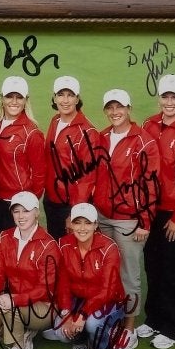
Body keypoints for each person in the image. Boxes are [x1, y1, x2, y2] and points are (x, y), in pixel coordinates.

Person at [95, 87, 159, 319]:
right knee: (106, 272)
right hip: (103, 218)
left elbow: (150, 185)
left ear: (129, 108)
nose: (115, 112)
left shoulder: (144, 142)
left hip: (129, 221)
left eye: (119, 107)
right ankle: (109, 322)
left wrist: (145, 221)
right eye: (110, 108)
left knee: (129, 275)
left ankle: (129, 327)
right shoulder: (101, 138)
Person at [0, 190, 61, 349]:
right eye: (16, 211)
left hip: (45, 306)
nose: (21, 216)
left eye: (26, 211)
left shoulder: (48, 245)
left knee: (11, 308)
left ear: (36, 212)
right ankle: (25, 334)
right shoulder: (4, 237)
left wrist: (13, 300)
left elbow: (45, 289)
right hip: (14, 301)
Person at [52, 204, 135, 349]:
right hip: (80, 298)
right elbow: (63, 283)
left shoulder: (109, 247)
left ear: (96, 225)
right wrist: (67, 313)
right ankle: (82, 338)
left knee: (92, 324)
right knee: (60, 331)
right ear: (71, 225)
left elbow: (107, 290)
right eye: (77, 222)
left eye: (87, 223)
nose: (82, 228)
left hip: (109, 300)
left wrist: (82, 315)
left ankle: (101, 346)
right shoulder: (63, 244)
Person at [140, 73, 175, 348]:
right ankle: (154, 319)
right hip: (151, 210)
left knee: (171, 270)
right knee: (153, 265)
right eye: (165, 96)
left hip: (173, 213)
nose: (169, 102)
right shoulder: (149, 124)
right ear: (159, 97)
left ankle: (172, 328)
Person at [44, 75, 105, 240]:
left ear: (77, 99)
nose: (65, 100)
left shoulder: (88, 132)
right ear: (54, 98)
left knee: (71, 255)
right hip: (51, 200)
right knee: (56, 249)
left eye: (70, 95)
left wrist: (76, 213)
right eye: (61, 95)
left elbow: (87, 178)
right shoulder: (55, 120)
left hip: (70, 205)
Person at [0, 75, 47, 235]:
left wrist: (28, 205)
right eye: (9, 96)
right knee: (3, 246)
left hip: (18, 203)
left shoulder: (32, 133)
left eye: (19, 97)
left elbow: (40, 175)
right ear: (2, 98)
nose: (14, 101)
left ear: (26, 100)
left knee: (20, 252)